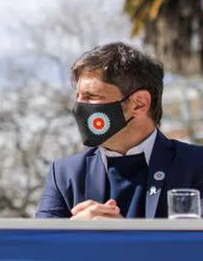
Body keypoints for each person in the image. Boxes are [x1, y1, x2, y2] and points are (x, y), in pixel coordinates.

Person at [37, 42, 203, 219]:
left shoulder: (196, 165)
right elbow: (39, 246)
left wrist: (124, 238)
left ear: (139, 103)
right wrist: (75, 233)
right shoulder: (65, 175)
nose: (79, 107)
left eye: (91, 96)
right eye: (78, 96)